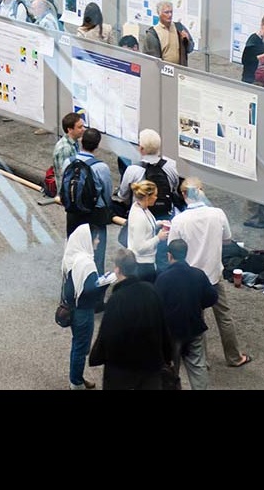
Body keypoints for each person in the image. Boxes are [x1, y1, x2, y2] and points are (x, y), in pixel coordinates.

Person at [167, 178, 252, 369]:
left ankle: (202, 361)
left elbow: (172, 248)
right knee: (224, 316)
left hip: (189, 279)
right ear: (201, 191)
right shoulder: (217, 214)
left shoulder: (179, 220)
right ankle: (234, 356)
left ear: (183, 194)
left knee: (197, 319)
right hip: (213, 274)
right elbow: (227, 240)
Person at [87, 248, 173, 390]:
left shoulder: (116, 300)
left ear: (117, 269)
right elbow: (163, 326)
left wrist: (97, 356)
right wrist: (167, 354)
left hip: (122, 369)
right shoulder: (151, 291)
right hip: (150, 365)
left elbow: (108, 334)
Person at [154, 238, 219, 390]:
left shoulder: (163, 278)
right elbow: (212, 297)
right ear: (186, 254)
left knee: (171, 370)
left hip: (172, 333)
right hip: (194, 327)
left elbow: (156, 306)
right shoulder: (198, 274)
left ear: (169, 255)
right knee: (198, 367)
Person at [61, 224, 112, 389]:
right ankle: (76, 382)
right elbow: (91, 290)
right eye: (95, 237)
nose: (97, 241)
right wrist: (106, 282)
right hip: (84, 311)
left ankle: (76, 377)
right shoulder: (87, 263)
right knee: (81, 346)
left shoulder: (72, 257)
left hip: (73, 308)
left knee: (77, 344)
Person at [60, 127, 113, 274]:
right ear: (97, 145)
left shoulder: (68, 162)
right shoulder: (101, 167)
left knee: (74, 249)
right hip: (95, 214)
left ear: (81, 141)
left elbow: (63, 185)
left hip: (73, 212)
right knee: (96, 253)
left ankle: (72, 278)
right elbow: (107, 192)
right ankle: (95, 281)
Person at [126, 180, 170, 283]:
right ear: (147, 197)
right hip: (142, 265)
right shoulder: (140, 217)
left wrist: (158, 223)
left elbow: (147, 225)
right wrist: (158, 238)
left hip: (146, 262)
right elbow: (140, 247)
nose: (156, 198)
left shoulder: (140, 207)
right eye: (155, 195)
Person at [141, 2, 193, 67]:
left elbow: (190, 49)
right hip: (162, 72)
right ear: (159, 14)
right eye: (166, 12)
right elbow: (150, 60)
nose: (170, 15)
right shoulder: (153, 34)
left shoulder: (179, 28)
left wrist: (187, 41)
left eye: (171, 12)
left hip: (179, 70)